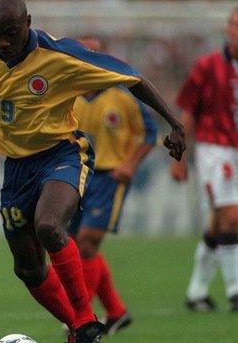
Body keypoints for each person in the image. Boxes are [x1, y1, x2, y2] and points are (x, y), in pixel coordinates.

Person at [0, 0, 185, 342]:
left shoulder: (60, 56)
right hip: (15, 168)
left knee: (49, 225)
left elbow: (133, 77)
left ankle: (87, 318)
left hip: (61, 154)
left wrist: (175, 124)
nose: (3, 41)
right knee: (27, 267)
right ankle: (79, 329)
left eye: (11, 33)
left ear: (28, 24)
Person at [68, 35, 157, 335]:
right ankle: (116, 312)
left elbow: (149, 133)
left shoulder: (123, 96)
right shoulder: (69, 94)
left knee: (88, 241)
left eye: (95, 51)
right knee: (78, 246)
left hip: (109, 177)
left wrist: (129, 164)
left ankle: (82, 319)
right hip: (76, 176)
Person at [171, 5, 238, 313]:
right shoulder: (207, 66)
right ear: (227, 29)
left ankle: (196, 292)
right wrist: (179, 158)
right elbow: (187, 112)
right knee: (232, 216)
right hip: (214, 151)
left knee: (217, 227)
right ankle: (236, 291)